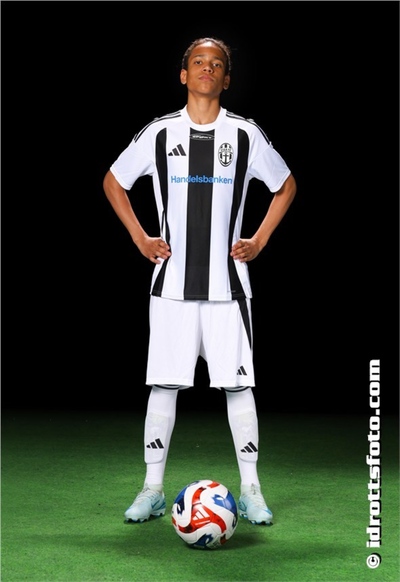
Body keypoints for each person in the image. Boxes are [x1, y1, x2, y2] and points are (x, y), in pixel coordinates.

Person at [103, 37, 297, 526]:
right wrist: (141, 237)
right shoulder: (160, 133)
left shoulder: (245, 135)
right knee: (163, 385)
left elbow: (285, 185)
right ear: (184, 75)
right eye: (198, 62)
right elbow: (114, 181)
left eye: (216, 64)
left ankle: (251, 491)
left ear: (226, 79)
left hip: (228, 287)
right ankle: (151, 490)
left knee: (239, 386)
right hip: (171, 287)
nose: (207, 68)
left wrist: (259, 240)